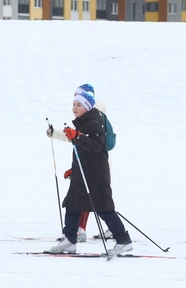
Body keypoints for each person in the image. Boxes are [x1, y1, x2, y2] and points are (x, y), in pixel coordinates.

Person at [45, 91, 132, 255]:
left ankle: (123, 240)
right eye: (73, 105)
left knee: (104, 208)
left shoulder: (94, 123)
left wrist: (78, 136)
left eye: (78, 105)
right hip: (82, 173)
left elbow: (97, 146)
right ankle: (70, 240)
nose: (74, 108)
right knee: (72, 205)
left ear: (87, 107)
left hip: (95, 175)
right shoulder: (82, 123)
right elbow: (79, 143)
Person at [47, 84, 112, 241]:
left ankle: (81, 230)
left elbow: (89, 141)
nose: (74, 103)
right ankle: (77, 232)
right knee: (86, 198)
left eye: (78, 97)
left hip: (95, 163)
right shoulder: (84, 115)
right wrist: (55, 133)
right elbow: (76, 138)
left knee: (93, 199)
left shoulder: (94, 116)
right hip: (86, 161)